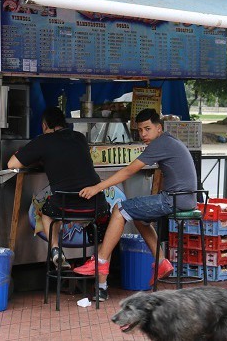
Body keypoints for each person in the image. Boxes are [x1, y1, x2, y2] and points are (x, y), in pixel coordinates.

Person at [73, 109, 198, 301]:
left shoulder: (161, 143)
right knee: (138, 216)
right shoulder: (169, 141)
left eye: (147, 129)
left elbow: (129, 171)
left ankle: (100, 261)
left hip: (174, 199)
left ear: (159, 128)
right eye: (140, 130)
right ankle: (161, 261)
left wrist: (97, 187)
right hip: (183, 199)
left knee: (120, 208)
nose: (144, 135)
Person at [7, 108, 109, 274]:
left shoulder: (43, 141)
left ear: (44, 125)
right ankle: (100, 273)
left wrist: (39, 160)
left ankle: (56, 249)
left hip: (64, 206)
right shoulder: (80, 137)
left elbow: (12, 164)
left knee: (47, 212)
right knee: (102, 217)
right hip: (95, 205)